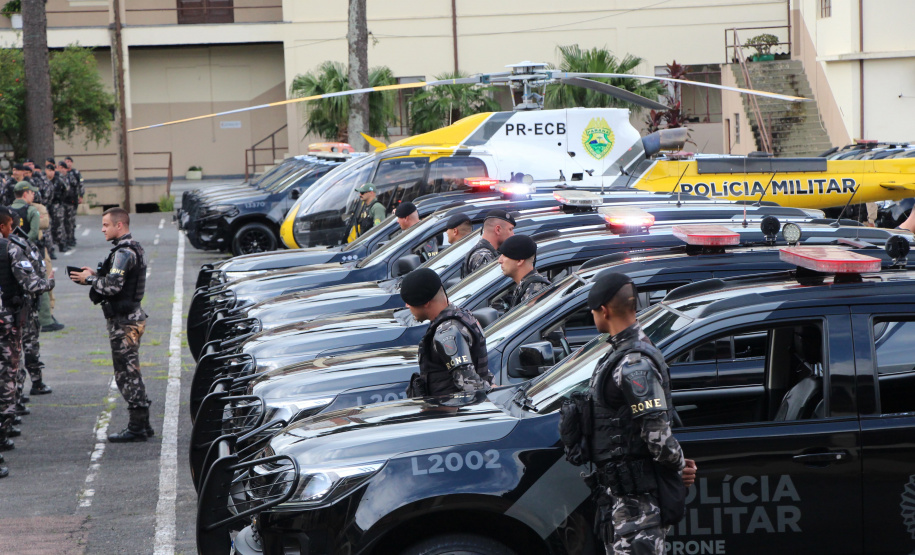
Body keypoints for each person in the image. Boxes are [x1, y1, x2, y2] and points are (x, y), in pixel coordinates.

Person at [560, 272, 696, 554]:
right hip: (623, 499)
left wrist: (678, 466)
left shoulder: (634, 364)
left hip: (638, 505)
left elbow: (658, 436)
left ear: (604, 310)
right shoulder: (622, 353)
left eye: (592, 311)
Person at [69, 208, 153, 443]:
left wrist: (90, 279)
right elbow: (120, 280)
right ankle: (143, 424)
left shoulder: (123, 253)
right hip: (130, 318)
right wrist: (96, 274)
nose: (103, 229)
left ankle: (137, 426)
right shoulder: (130, 249)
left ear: (120, 226)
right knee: (131, 370)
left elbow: (113, 287)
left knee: (126, 373)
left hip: (124, 322)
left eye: (106, 225)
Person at [0, 207, 55, 476]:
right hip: (6, 326)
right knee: (8, 380)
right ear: (4, 226)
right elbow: (33, 284)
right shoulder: (10, 249)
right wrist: (49, 282)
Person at [401, 268, 493, 397]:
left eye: (410, 302)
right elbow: (477, 366)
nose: (407, 306)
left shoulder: (447, 332)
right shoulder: (462, 317)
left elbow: (469, 384)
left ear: (426, 303)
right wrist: (491, 386)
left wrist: (493, 395)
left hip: (452, 413)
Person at [497, 234, 551, 310]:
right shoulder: (524, 285)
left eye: (505, 255)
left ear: (519, 260)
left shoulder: (535, 291)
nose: (499, 260)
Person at [462, 209, 515, 278]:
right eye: (510, 229)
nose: (513, 234)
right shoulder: (483, 256)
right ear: (498, 230)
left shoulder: (490, 251)